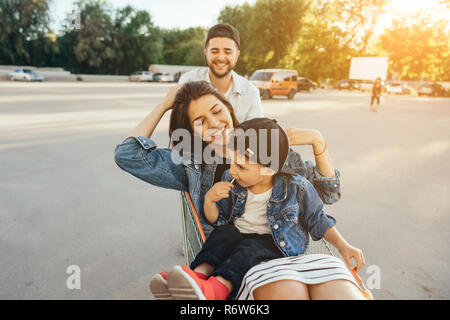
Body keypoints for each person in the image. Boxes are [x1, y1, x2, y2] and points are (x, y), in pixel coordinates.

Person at [114, 81, 362, 300]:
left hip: (275, 248)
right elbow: (127, 155)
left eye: (217, 111)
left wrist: (318, 142)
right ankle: (198, 279)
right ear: (191, 131)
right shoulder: (191, 163)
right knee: (231, 236)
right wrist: (165, 104)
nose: (214, 124)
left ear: (228, 108)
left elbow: (327, 196)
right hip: (228, 252)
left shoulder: (265, 143)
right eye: (200, 122)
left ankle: (212, 286)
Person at [163, 118, 365, 300]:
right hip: (238, 236)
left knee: (249, 248)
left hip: (275, 245)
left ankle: (218, 288)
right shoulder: (231, 180)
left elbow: (318, 220)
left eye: (241, 166)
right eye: (232, 162)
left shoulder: (297, 187)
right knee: (224, 233)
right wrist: (209, 201)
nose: (232, 170)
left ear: (268, 169)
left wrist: (344, 246)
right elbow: (219, 219)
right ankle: (195, 276)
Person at [178, 23, 263, 123]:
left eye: (228, 52)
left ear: (237, 55)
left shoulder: (251, 93)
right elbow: (179, 127)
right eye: (214, 51)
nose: (221, 58)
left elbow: (256, 135)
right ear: (206, 53)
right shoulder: (188, 82)